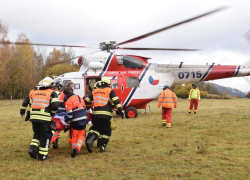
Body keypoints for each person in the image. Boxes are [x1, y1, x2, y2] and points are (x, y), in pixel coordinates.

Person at [84, 76, 124, 153]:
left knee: (96, 129)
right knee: (107, 131)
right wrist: (121, 111)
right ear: (108, 84)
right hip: (106, 115)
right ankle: (102, 147)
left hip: (96, 115)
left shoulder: (94, 91)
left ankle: (90, 140)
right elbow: (116, 101)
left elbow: (86, 101)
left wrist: (88, 107)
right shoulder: (109, 90)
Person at [28, 77, 59, 161]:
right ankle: (42, 156)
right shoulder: (52, 93)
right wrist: (51, 113)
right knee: (46, 136)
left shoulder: (35, 92)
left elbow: (31, 104)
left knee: (37, 134)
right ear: (50, 85)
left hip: (33, 116)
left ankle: (32, 149)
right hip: (44, 117)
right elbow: (55, 106)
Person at [64, 86, 88, 158]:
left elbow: (70, 114)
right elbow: (84, 106)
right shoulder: (79, 97)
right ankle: (77, 148)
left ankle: (74, 148)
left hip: (75, 120)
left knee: (74, 134)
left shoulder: (68, 101)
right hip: (83, 118)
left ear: (65, 94)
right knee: (81, 135)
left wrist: (68, 122)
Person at [51, 81, 74, 149]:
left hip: (58, 112)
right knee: (70, 127)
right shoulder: (69, 93)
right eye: (73, 86)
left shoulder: (62, 92)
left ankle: (54, 141)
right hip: (65, 112)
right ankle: (71, 142)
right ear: (71, 87)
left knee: (57, 128)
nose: (74, 88)